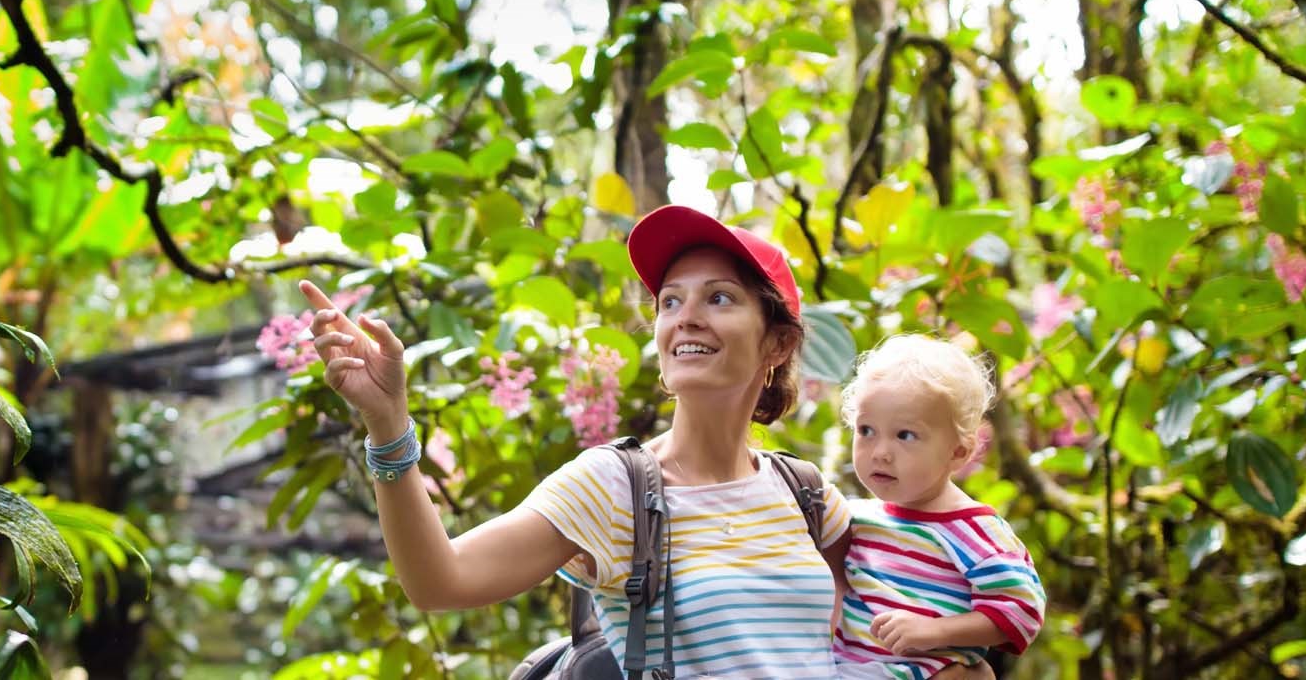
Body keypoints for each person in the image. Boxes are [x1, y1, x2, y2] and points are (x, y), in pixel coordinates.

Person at [300, 204, 991, 678]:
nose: (685, 316)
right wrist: (389, 427)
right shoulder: (610, 486)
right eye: (669, 300)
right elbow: (439, 581)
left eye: (719, 297)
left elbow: (882, 630)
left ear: (776, 341)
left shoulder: (806, 494)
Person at [830, 334, 1046, 678]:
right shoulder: (854, 517)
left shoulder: (975, 530)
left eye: (905, 435)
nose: (880, 451)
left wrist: (935, 632)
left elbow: (1021, 611)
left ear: (958, 452)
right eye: (866, 430)